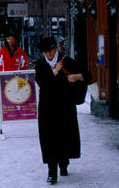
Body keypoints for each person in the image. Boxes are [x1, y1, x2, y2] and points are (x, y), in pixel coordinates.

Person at [35, 37, 90, 184]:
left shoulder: (68, 62)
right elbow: (42, 82)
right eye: (46, 52)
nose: (49, 54)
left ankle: (64, 163)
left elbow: (88, 75)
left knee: (65, 137)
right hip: (47, 108)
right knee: (49, 139)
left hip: (65, 106)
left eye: (51, 51)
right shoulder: (40, 65)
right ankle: (52, 171)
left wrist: (77, 76)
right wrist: (55, 71)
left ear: (56, 49)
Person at [0, 35, 28, 121]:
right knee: (3, 94)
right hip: (5, 77)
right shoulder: (3, 50)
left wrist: (20, 74)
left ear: (15, 40)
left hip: (17, 78)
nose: (10, 41)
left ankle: (21, 113)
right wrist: (3, 72)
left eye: (12, 39)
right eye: (9, 39)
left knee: (18, 95)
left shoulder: (20, 52)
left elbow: (24, 64)